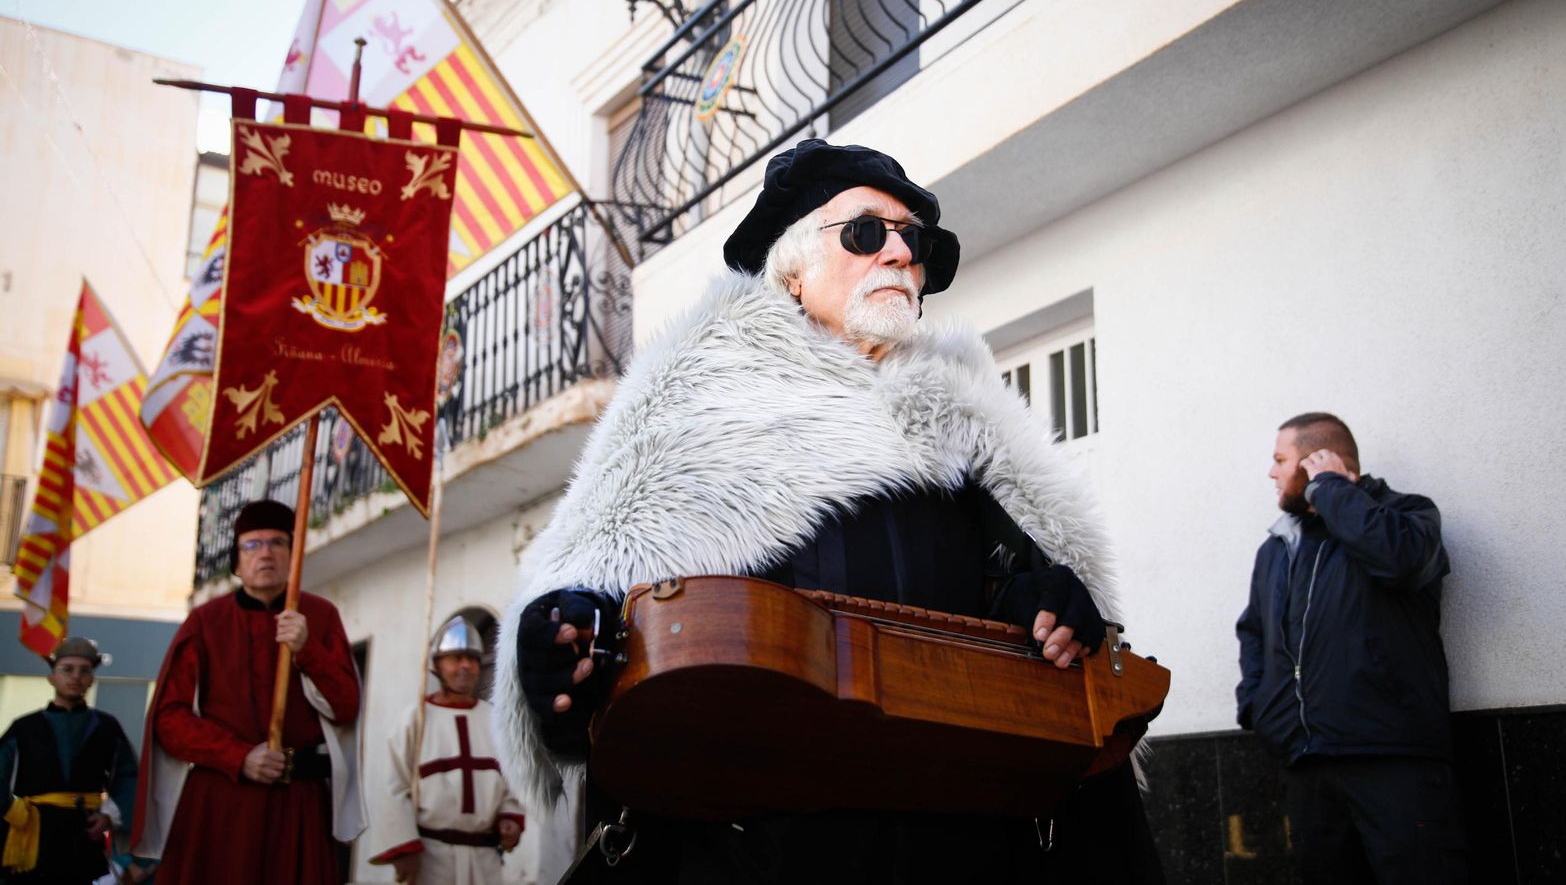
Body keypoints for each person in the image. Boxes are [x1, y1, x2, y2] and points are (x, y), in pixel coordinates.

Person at [494, 139, 1164, 882]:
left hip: (959, 844)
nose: (902, 254)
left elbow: (1014, 618)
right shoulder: (689, 402)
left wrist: (1046, 606)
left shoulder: (971, 425)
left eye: (918, 241)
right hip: (761, 851)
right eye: (866, 232)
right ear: (790, 270)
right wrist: (565, 643)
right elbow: (601, 608)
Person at [1235, 412, 1468, 883]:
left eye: (1281, 459)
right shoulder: (1279, 547)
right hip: (1306, 765)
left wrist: (1332, 490)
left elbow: (1399, 562)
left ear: (1317, 462)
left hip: (1392, 760)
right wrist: (1259, 710)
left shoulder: (1407, 514)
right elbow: (1255, 633)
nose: (1272, 472)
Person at [131, 499, 364, 884]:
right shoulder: (206, 621)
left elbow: (346, 707)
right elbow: (170, 720)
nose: (266, 554)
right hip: (221, 804)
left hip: (297, 806)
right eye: (252, 546)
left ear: (293, 555)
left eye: (277, 543)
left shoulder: (320, 618)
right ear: (237, 563)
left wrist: (308, 649)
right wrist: (239, 756)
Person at [370, 616, 525, 884]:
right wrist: (404, 848)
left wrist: (510, 815)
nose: (465, 666)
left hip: (485, 860)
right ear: (436, 666)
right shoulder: (414, 719)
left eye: (472, 658)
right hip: (431, 859)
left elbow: (513, 780)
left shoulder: (496, 721)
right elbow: (393, 787)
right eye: (455, 658)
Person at [0, 637, 137, 883]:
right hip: (30, 836)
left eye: (84, 671)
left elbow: (129, 776)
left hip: (82, 835)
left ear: (92, 679)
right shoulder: (23, 728)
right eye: (67, 669)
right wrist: (12, 810)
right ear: (52, 677)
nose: (75, 676)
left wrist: (108, 815)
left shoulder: (107, 727)